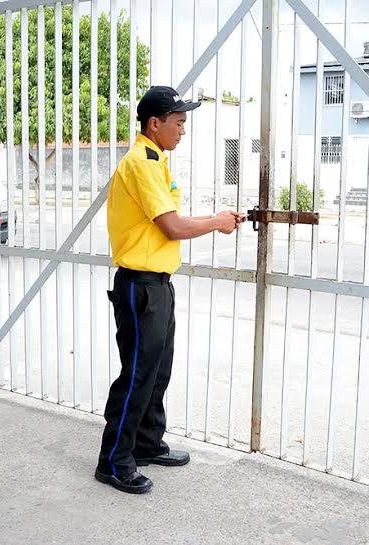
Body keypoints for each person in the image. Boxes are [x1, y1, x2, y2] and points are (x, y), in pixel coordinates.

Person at [95, 86, 245, 494]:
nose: (183, 130)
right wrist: (216, 222)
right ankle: (114, 461)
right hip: (139, 286)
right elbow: (173, 226)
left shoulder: (157, 161)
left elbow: (170, 221)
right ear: (154, 123)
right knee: (138, 376)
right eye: (178, 123)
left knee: (158, 371)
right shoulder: (141, 164)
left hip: (157, 284)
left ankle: (146, 444)